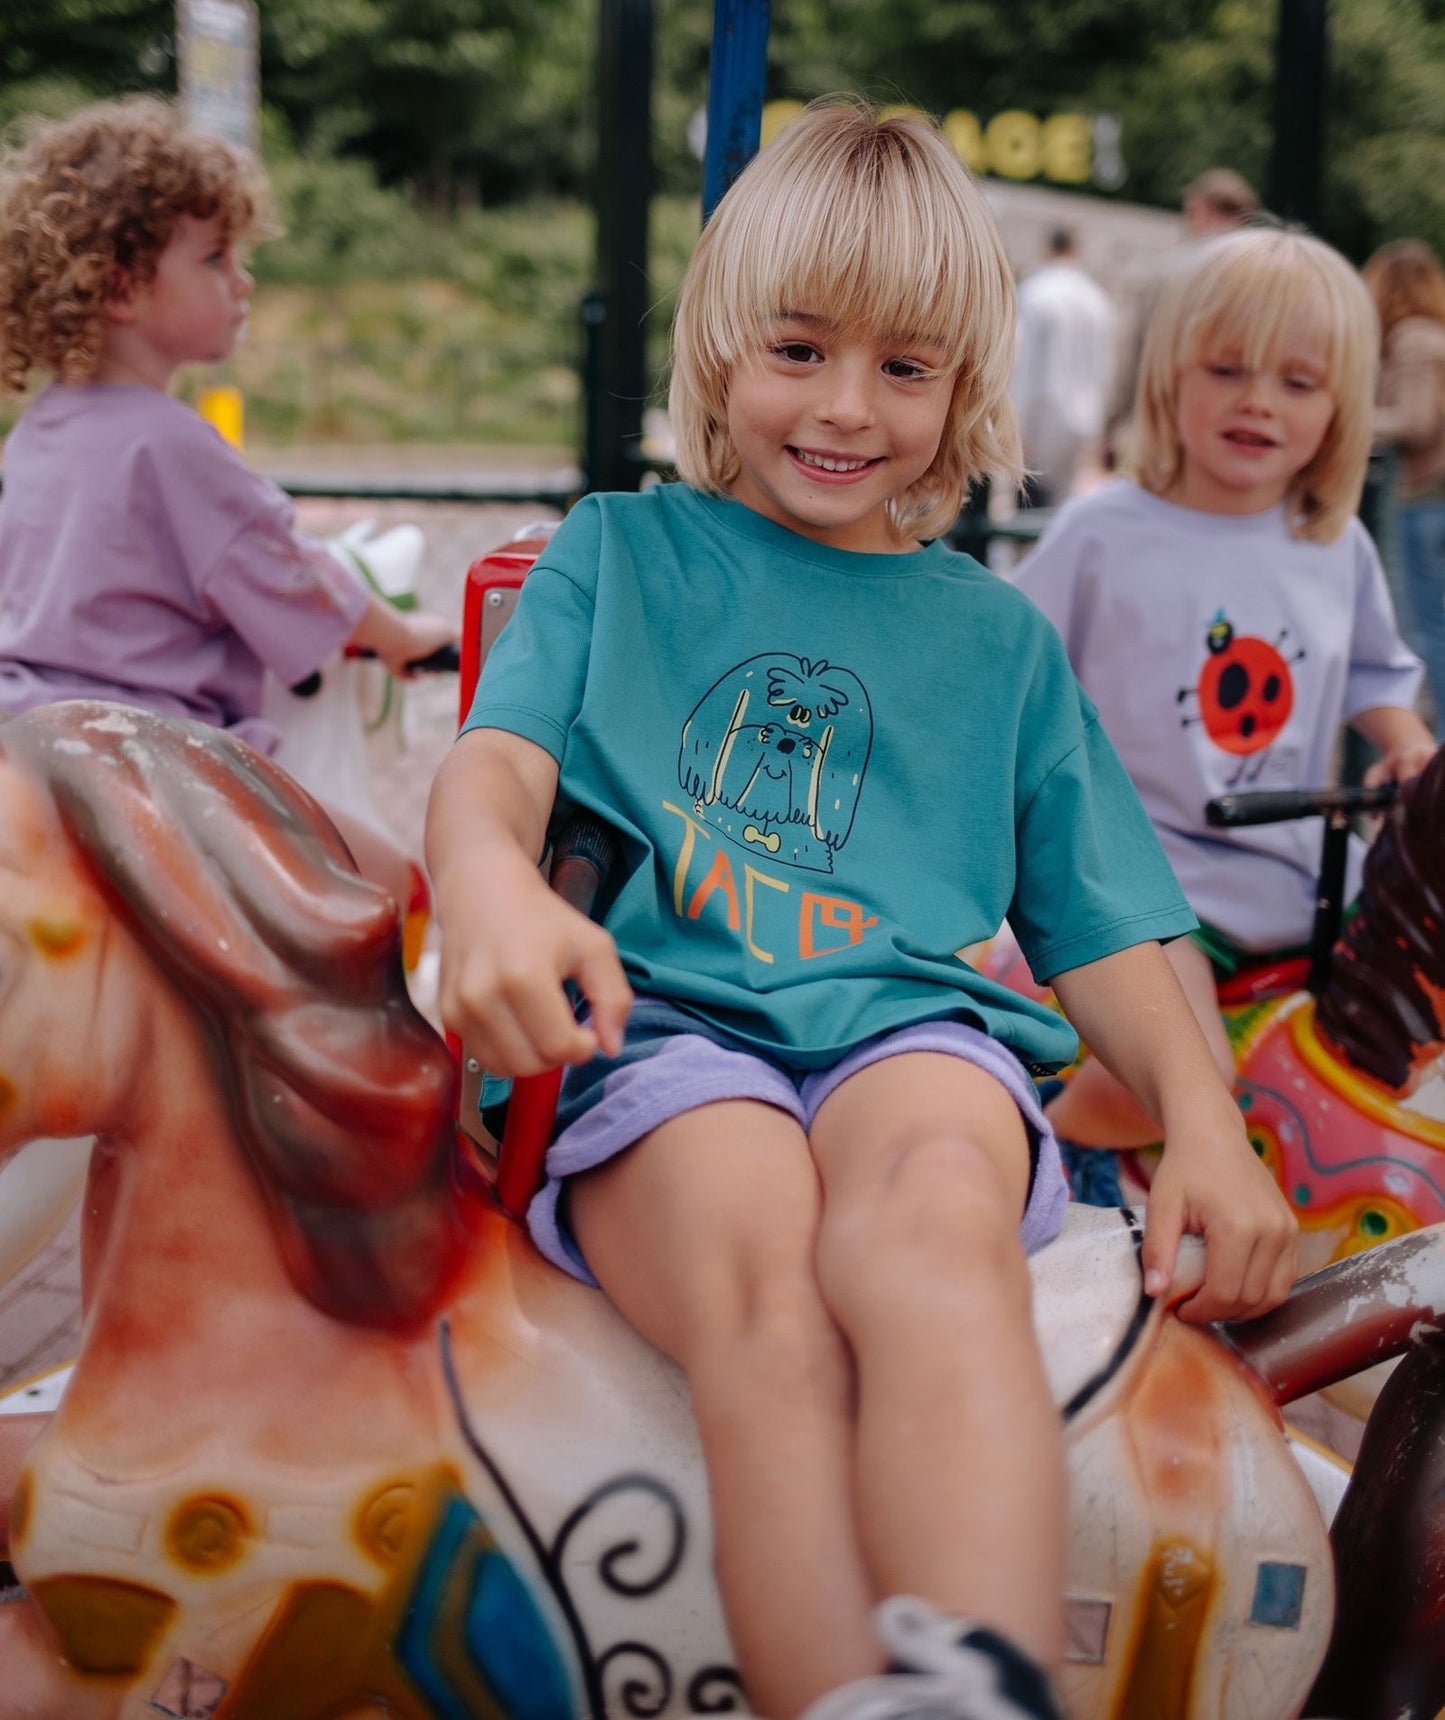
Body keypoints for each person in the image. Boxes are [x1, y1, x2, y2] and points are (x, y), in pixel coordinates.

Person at [426, 105, 1297, 1720]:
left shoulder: (997, 640)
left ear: (964, 390)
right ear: (720, 346)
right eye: (800, 349)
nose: (844, 406)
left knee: (938, 1223)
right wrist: (484, 885)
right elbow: (499, 762)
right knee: (764, 1288)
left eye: (905, 367)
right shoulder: (620, 552)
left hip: (906, 1028)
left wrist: (1205, 1118)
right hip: (662, 1029)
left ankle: (980, 1678)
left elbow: (1111, 920)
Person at [1016, 226, 1433, 1153]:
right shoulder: (1100, 532)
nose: (1258, 401)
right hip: (1145, 880)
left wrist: (1404, 742)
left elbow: (1376, 672)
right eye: (1226, 369)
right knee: (1181, 1083)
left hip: (1308, 875)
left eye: (1298, 381)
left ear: (1340, 407)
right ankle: (1043, 1144)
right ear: (1170, 375)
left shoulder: (1333, 544)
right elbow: (1008, 670)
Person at [0, 97, 454, 904]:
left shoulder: (38, 429)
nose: (242, 281)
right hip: (150, 761)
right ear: (121, 288)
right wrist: (401, 635)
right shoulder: (171, 442)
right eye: (214, 258)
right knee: (393, 885)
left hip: (25, 741)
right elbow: (292, 576)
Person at [1103, 165, 1260, 466]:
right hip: (1228, 441)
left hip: (1155, 433)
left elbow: (1134, 357)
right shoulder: (1263, 284)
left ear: (1197, 209)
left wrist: (1111, 424)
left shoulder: (1164, 274)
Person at [1364, 238, 1445, 723]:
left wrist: (1351, 417)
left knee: (1427, 629)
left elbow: (1416, 422)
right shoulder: (1435, 334)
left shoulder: (1413, 338)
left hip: (1425, 499)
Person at [1008, 226, 1117, 505]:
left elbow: (1024, 362)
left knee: (1027, 502)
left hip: (1042, 416)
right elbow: (1104, 369)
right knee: (1060, 505)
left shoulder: (1037, 291)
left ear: (1049, 248)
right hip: (1083, 420)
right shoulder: (1097, 299)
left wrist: (1017, 423)